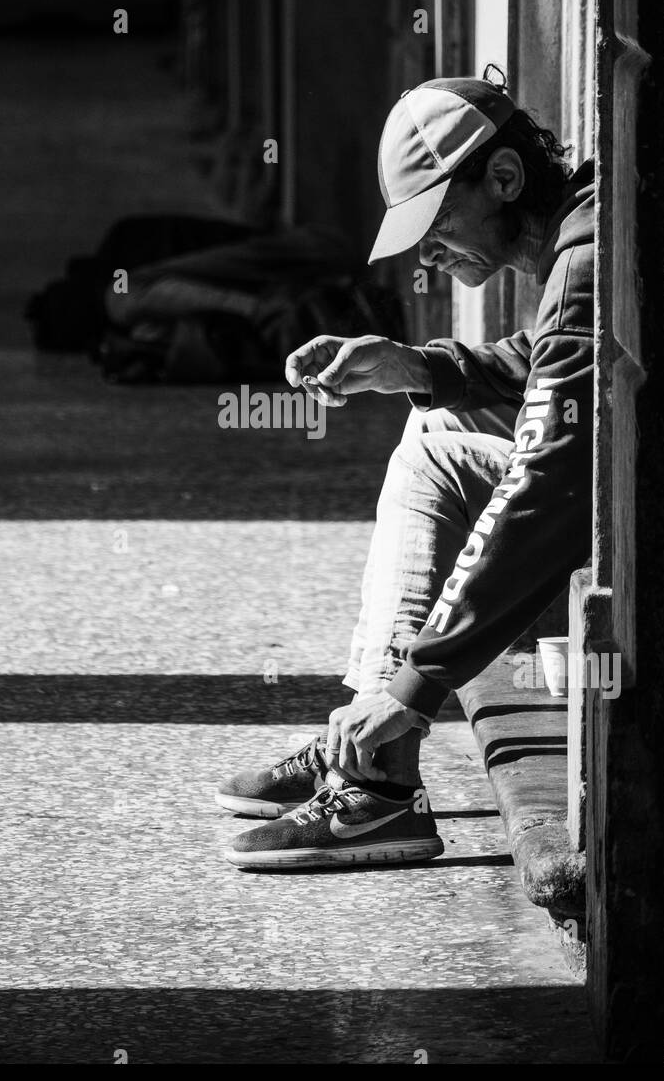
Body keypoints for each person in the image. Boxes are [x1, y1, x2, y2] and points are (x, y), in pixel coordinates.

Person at [215, 72, 595, 870]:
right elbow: (547, 365)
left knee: (438, 450)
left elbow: (549, 489)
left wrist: (412, 688)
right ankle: (372, 765)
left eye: (437, 221)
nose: (426, 250)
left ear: (503, 178)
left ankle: (378, 769)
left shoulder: (584, 265)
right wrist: (415, 366)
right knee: (435, 418)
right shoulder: (584, 230)